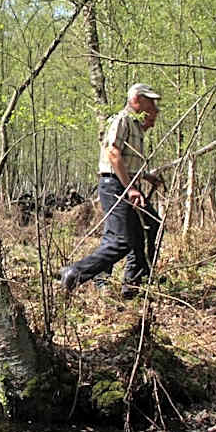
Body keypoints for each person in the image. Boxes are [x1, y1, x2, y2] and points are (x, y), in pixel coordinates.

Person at [58, 83, 163, 297]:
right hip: (115, 186)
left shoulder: (136, 126)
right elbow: (113, 154)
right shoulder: (122, 119)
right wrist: (131, 188)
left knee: (151, 225)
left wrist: (146, 176)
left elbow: (127, 162)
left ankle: (133, 285)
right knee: (122, 241)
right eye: (149, 100)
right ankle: (75, 272)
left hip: (125, 184)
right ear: (136, 100)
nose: (153, 106)